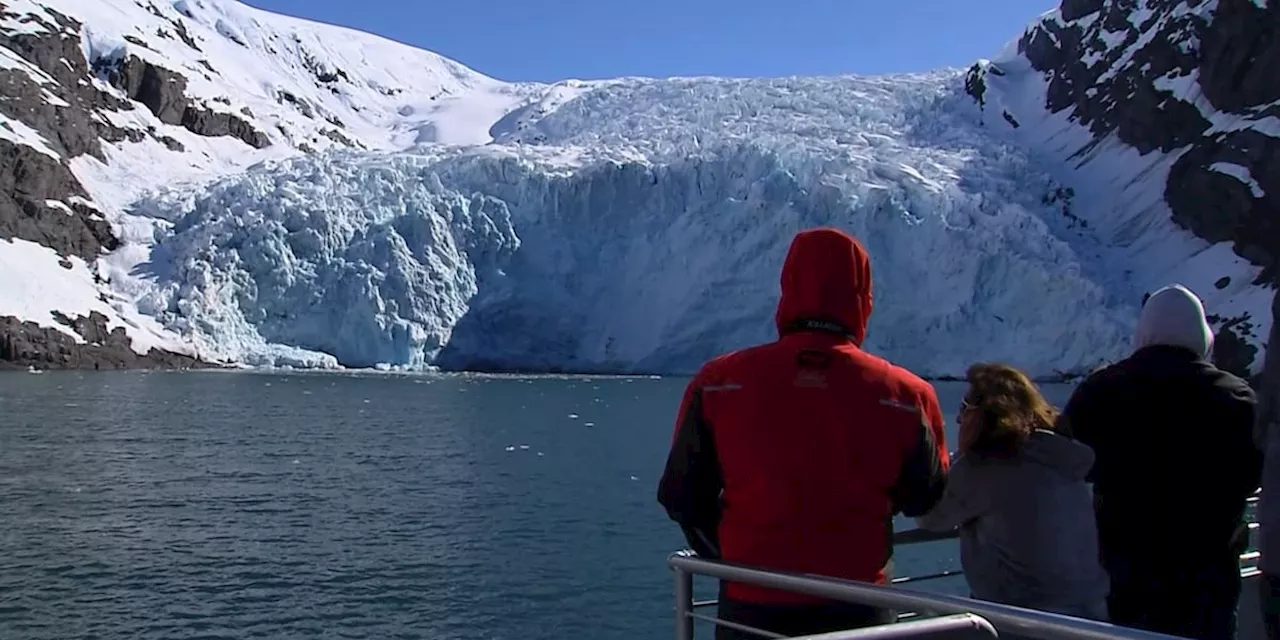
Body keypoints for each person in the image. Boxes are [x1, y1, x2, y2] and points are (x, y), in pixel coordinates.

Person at [656, 227, 950, 640]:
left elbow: (681, 494)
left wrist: (733, 553)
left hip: (749, 605)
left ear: (788, 288)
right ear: (863, 299)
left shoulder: (719, 382)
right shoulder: (906, 395)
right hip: (860, 604)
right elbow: (927, 494)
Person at [1059, 284, 1262, 640]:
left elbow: (1064, 463)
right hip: (1207, 575)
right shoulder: (1236, 397)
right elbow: (1252, 473)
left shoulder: (1102, 390)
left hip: (1123, 572)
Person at [915, 363, 1108, 620]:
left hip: (1025, 623)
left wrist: (930, 457)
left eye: (965, 407)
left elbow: (932, 517)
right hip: (1090, 619)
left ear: (987, 413)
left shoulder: (988, 466)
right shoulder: (1057, 457)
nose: (959, 419)